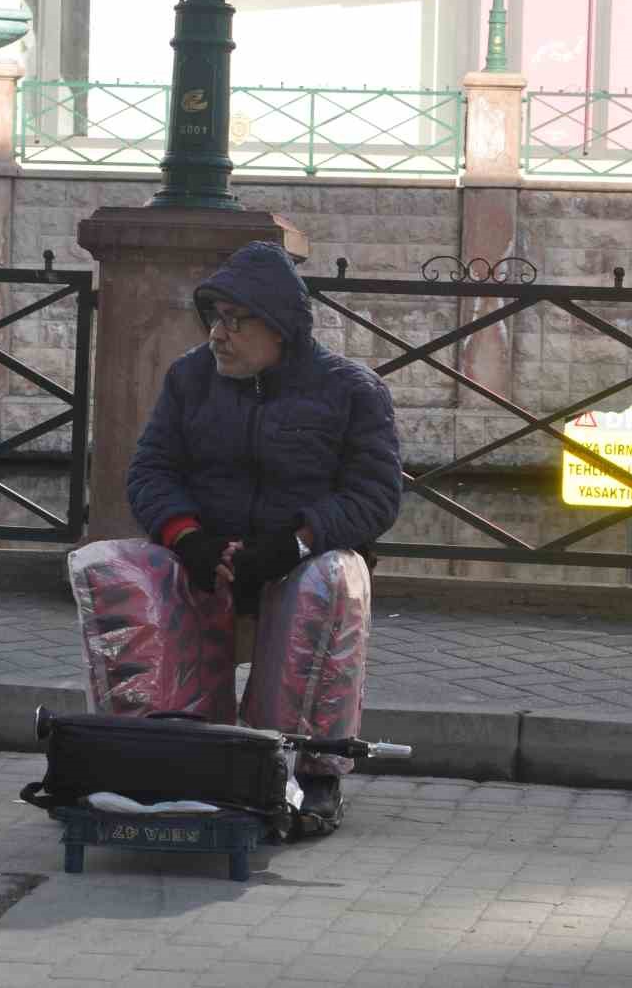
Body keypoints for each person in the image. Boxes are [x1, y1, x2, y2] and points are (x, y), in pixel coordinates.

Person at [110, 239, 402, 827]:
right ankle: (162, 756)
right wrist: (187, 538)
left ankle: (312, 772)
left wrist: (293, 543)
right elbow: (150, 470)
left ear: (281, 331)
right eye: (216, 319)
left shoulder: (351, 390)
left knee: (330, 579)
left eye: (236, 322)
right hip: (208, 557)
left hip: (296, 560)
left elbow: (375, 496)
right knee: (112, 568)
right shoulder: (190, 378)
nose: (218, 334)